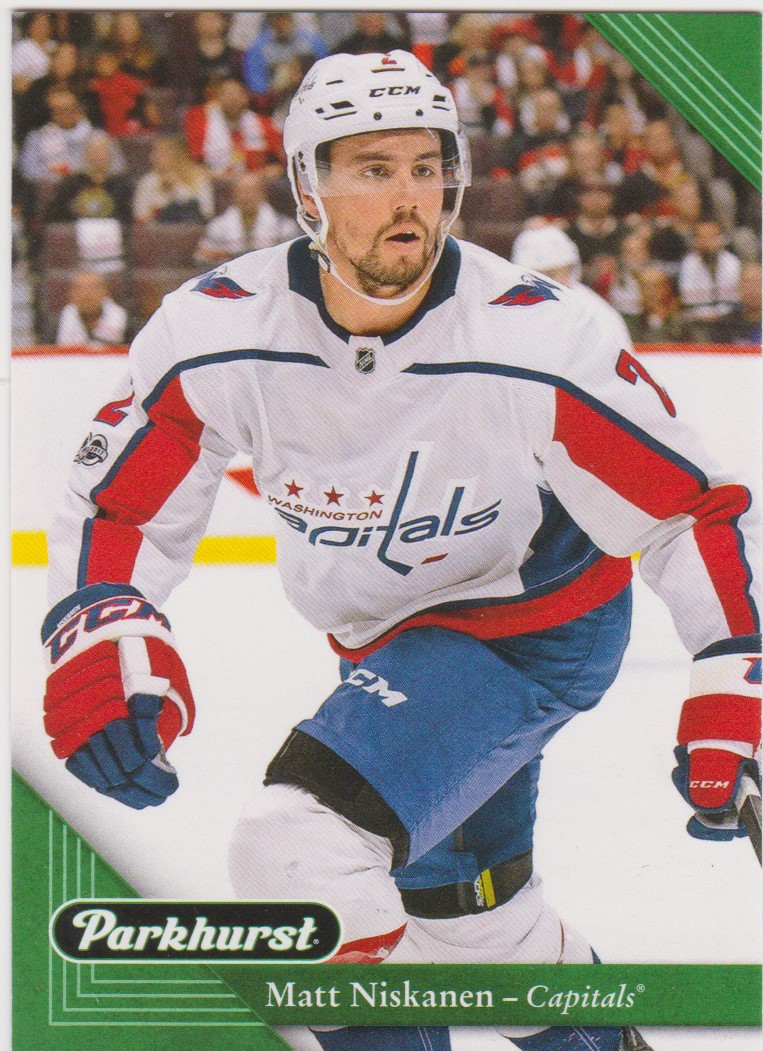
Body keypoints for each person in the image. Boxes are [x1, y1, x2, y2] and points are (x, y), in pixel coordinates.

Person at [41, 51, 759, 1051]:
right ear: (307, 187)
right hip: (382, 644)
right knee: (475, 934)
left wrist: (735, 670)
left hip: (533, 630)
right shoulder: (216, 330)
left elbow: (689, 507)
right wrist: (102, 625)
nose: (410, 196)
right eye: (373, 169)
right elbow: (120, 501)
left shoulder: (535, 339)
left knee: (299, 856)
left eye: (427, 167)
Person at [193, 169, 298, 267]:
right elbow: (202, 258)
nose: (248, 196)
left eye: (253, 191)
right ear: (233, 195)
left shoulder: (284, 226)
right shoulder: (218, 226)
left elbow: (293, 258)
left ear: (264, 195)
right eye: (242, 192)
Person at [132, 133, 214, 224]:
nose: (152, 157)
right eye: (154, 152)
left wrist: (177, 187)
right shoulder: (148, 181)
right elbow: (139, 217)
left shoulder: (199, 178)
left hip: (192, 229)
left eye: (162, 153)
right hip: (158, 230)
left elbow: (207, 211)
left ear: (178, 155)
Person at [55, 269, 128, 347]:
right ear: (70, 295)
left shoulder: (126, 322)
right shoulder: (55, 324)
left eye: (94, 288)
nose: (87, 294)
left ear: (105, 292)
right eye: (80, 289)